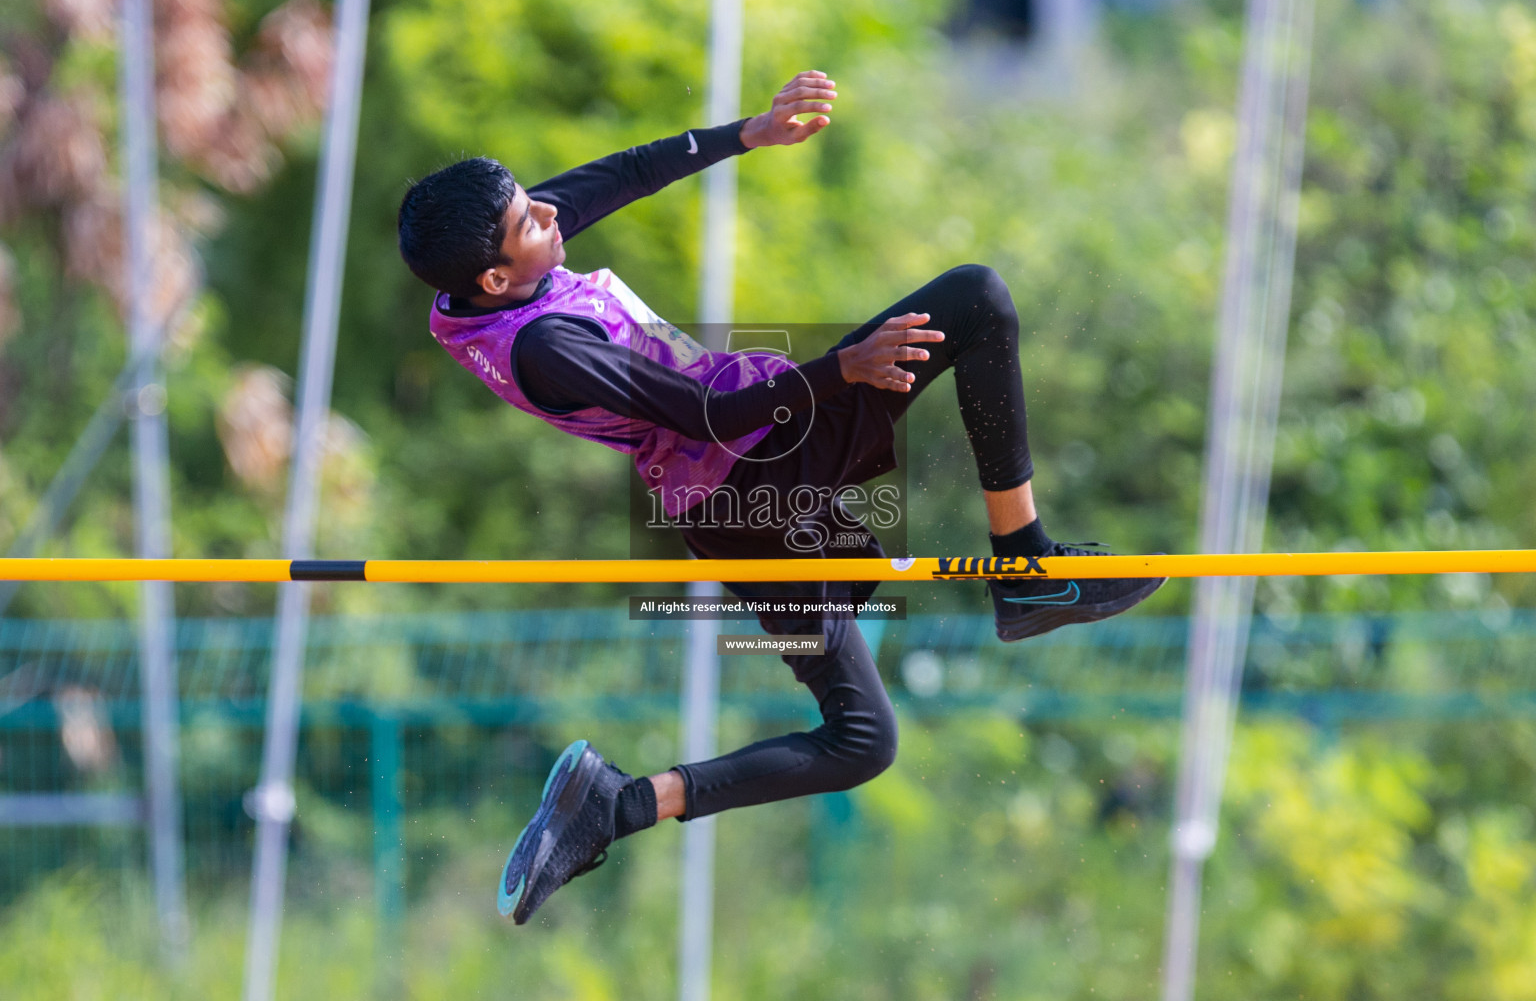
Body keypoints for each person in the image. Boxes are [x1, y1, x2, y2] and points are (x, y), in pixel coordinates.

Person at [397, 71, 1164, 925]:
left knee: (859, 740)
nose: (549, 212)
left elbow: (626, 172)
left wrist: (747, 134)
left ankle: (614, 807)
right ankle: (1023, 567)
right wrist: (845, 369)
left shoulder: (501, 265)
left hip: (727, 506)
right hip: (755, 464)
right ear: (495, 280)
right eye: (529, 221)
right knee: (975, 300)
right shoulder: (545, 345)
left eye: (533, 201)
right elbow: (707, 412)